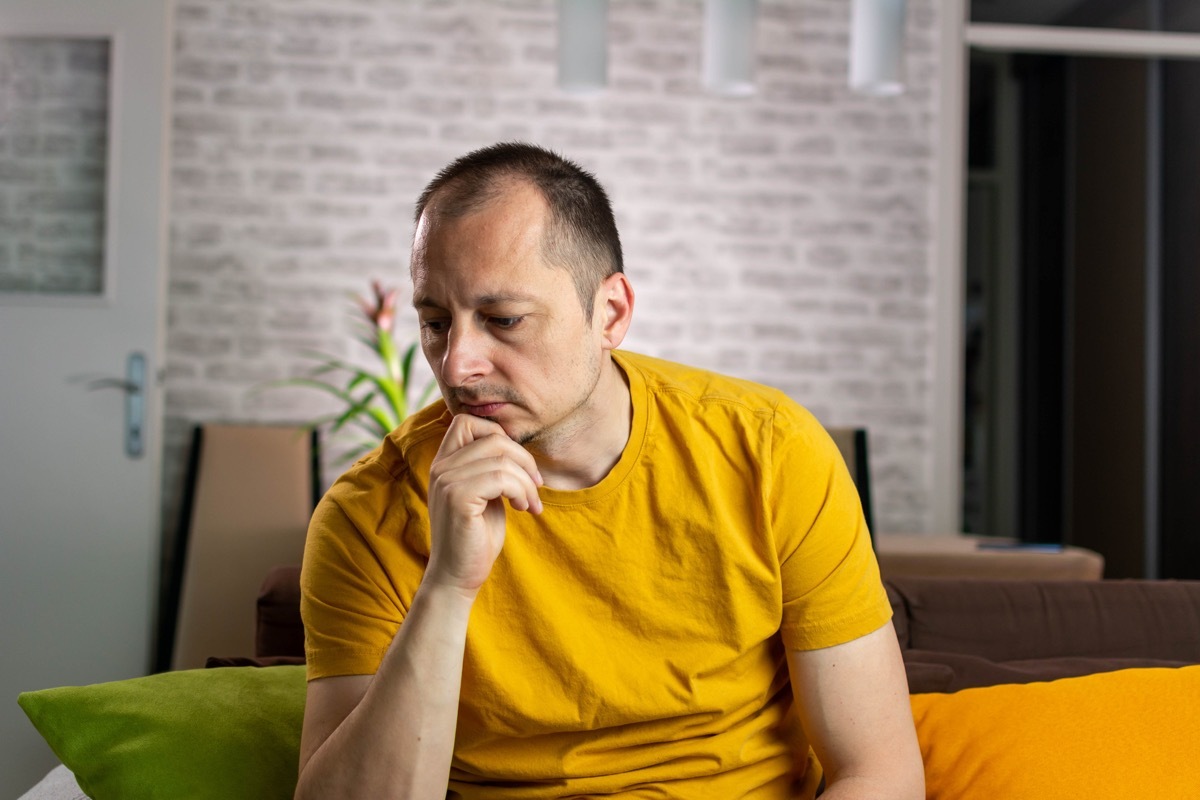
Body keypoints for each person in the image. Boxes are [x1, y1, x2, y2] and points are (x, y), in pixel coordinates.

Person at [294, 142, 924, 800]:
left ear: (612, 314)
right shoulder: (367, 512)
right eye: (434, 322)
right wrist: (448, 588)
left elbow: (879, 771)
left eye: (503, 320)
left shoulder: (770, 452)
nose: (457, 367)